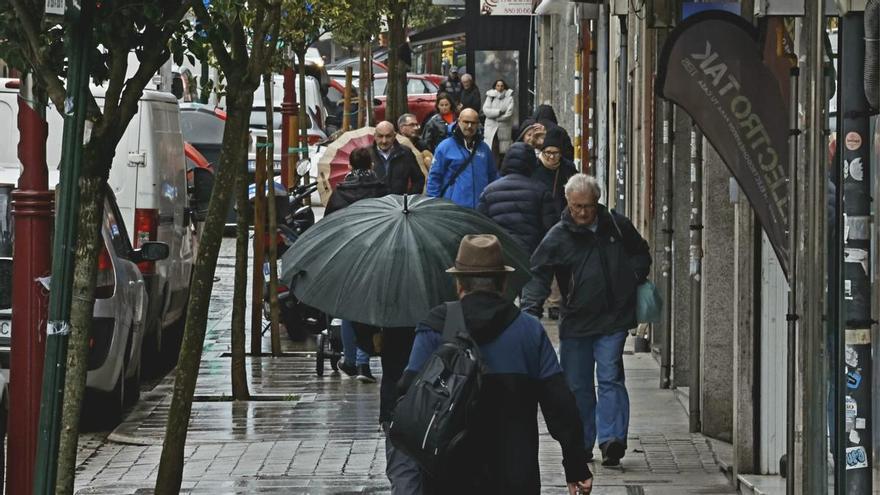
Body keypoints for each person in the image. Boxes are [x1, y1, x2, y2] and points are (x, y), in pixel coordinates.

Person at [400, 234, 593, 494]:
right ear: (503, 283)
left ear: (459, 284)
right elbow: (561, 405)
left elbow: (407, 395)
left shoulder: (436, 326)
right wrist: (576, 465)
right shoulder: (529, 331)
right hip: (515, 475)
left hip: (447, 476)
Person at [521, 174, 652, 467]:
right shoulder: (558, 235)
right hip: (577, 322)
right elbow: (538, 273)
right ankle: (581, 443)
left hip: (613, 318)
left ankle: (612, 440)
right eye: (577, 206)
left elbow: (640, 253)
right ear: (568, 203)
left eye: (588, 206)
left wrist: (632, 277)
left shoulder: (617, 226)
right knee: (577, 385)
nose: (582, 212)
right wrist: (530, 311)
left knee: (610, 376)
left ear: (598, 202)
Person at [324, 146, 389, 382]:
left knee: (350, 308)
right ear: (371, 165)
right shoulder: (382, 191)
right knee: (372, 306)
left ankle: (351, 360)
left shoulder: (340, 193)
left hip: (349, 257)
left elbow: (329, 225)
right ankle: (363, 362)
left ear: (349, 166)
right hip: (377, 255)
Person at [477, 143, 557, 257]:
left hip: (498, 257)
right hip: (531, 256)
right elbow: (550, 230)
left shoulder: (489, 191)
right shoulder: (541, 191)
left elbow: (481, 228)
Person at [426, 108, 497, 209]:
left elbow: (493, 176)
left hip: (481, 209)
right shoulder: (445, 147)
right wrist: (433, 205)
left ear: (478, 124)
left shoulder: (484, 148)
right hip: (453, 208)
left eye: (473, 123)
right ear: (459, 121)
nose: (469, 126)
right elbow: (434, 177)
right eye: (466, 122)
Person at [533, 125, 578, 216]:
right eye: (548, 152)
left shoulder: (568, 168)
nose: (552, 157)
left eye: (555, 153)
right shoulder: (534, 167)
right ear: (543, 151)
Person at [370, 121, 425, 195]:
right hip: (374, 204)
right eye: (380, 136)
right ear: (375, 136)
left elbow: (419, 180)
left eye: (388, 136)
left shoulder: (406, 153)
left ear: (394, 135)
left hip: (399, 204)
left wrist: (408, 199)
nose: (384, 141)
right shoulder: (367, 154)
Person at [482, 79, 515, 161]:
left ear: (504, 87)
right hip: (491, 128)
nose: (500, 88)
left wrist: (496, 118)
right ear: (495, 86)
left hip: (504, 127)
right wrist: (498, 112)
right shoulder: (490, 96)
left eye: (502, 86)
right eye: (498, 85)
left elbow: (509, 114)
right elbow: (486, 110)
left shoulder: (509, 98)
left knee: (503, 151)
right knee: (492, 149)